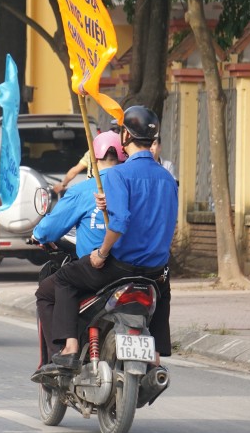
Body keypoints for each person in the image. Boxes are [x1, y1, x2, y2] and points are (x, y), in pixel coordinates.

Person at [35, 106, 177, 369]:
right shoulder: (167, 178)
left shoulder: (121, 175)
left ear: (126, 136)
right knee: (164, 291)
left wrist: (101, 254)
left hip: (120, 267)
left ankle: (70, 347)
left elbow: (120, 221)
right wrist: (105, 206)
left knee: (64, 280)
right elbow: (163, 219)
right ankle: (155, 355)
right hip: (155, 268)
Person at [33, 130, 126, 259]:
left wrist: (38, 234)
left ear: (94, 159)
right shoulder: (136, 188)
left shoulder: (81, 191)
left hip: (94, 268)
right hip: (135, 265)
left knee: (50, 280)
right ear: (124, 158)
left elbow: (51, 226)